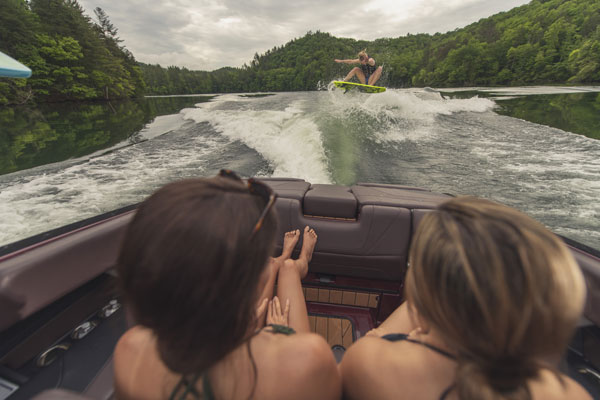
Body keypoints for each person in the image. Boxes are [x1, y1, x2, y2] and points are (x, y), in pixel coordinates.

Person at [113, 171, 341, 400]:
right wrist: (280, 335)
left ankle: (288, 259)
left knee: (279, 265)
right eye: (262, 261)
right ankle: (298, 261)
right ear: (255, 285)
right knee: (286, 268)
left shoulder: (131, 352)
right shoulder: (308, 361)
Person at [340, 196, 591, 400]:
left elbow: (367, 352)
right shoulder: (570, 394)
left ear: (421, 293)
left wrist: (403, 335)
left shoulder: (369, 363)